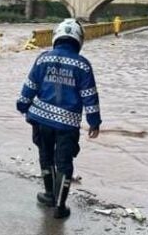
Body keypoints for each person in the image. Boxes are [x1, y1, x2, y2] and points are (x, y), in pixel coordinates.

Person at [16, 19, 101, 219]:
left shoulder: (43, 59)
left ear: (56, 37)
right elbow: (90, 96)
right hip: (67, 125)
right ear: (78, 40)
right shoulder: (83, 65)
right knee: (64, 162)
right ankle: (60, 206)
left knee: (45, 156)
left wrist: (22, 105)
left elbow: (29, 86)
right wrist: (94, 122)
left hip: (41, 120)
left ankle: (48, 194)